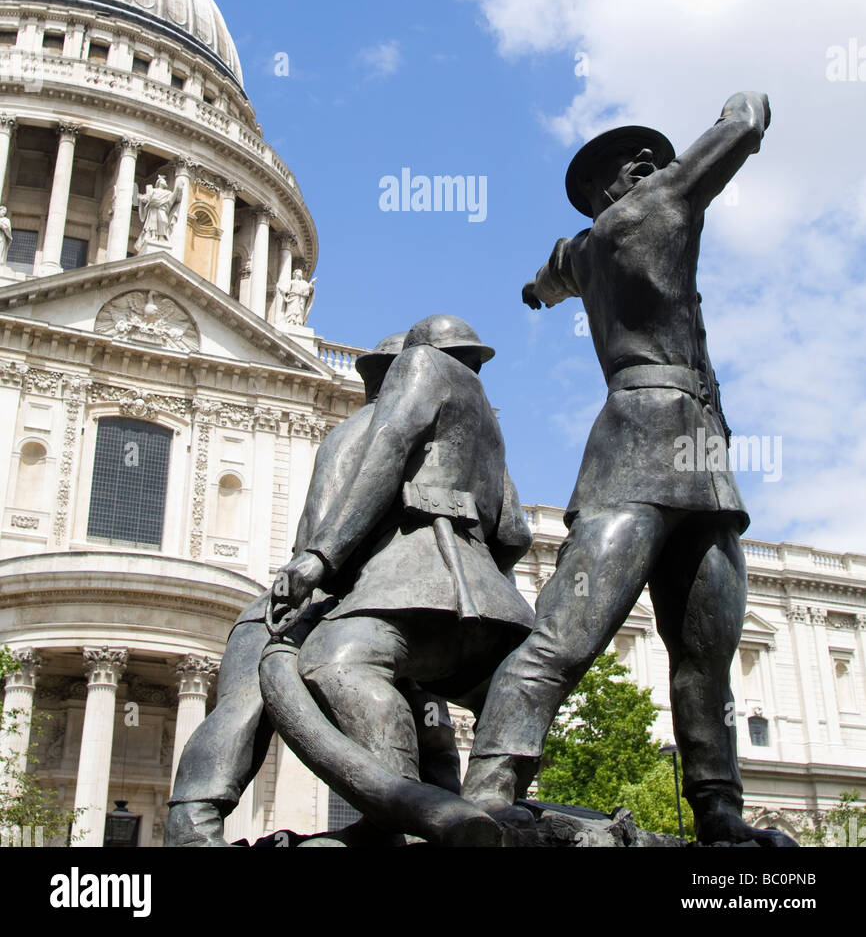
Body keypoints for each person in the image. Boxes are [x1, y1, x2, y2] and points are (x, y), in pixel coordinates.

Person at [461, 91, 795, 847]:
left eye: (655, 160)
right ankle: (489, 788)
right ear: (609, 189)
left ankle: (719, 811)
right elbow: (744, 121)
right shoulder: (664, 200)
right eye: (637, 163)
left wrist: (535, 293)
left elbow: (547, 275)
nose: (654, 166)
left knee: (702, 651)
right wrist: (745, 96)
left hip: (690, 454)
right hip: (653, 438)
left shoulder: (583, 249)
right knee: (572, 633)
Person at [165, 332, 461, 846]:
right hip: (413, 612)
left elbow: (312, 537)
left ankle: (194, 823)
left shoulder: (356, 435)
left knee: (247, 692)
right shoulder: (444, 449)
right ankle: (437, 817)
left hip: (342, 603)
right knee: (428, 718)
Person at [259, 314, 534, 844]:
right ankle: (492, 801)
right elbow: (516, 533)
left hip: (412, 591)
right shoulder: (485, 419)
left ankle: (407, 813)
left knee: (335, 663)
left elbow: (386, 452)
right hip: (495, 614)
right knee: (503, 692)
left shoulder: (416, 370)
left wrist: (318, 558)